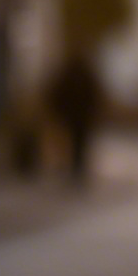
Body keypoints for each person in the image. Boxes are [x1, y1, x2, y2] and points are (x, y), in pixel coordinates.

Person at [45, 49, 104, 187]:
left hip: (76, 115)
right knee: (76, 142)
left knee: (76, 141)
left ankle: (75, 167)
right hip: (76, 115)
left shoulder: (76, 75)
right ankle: (74, 166)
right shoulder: (82, 75)